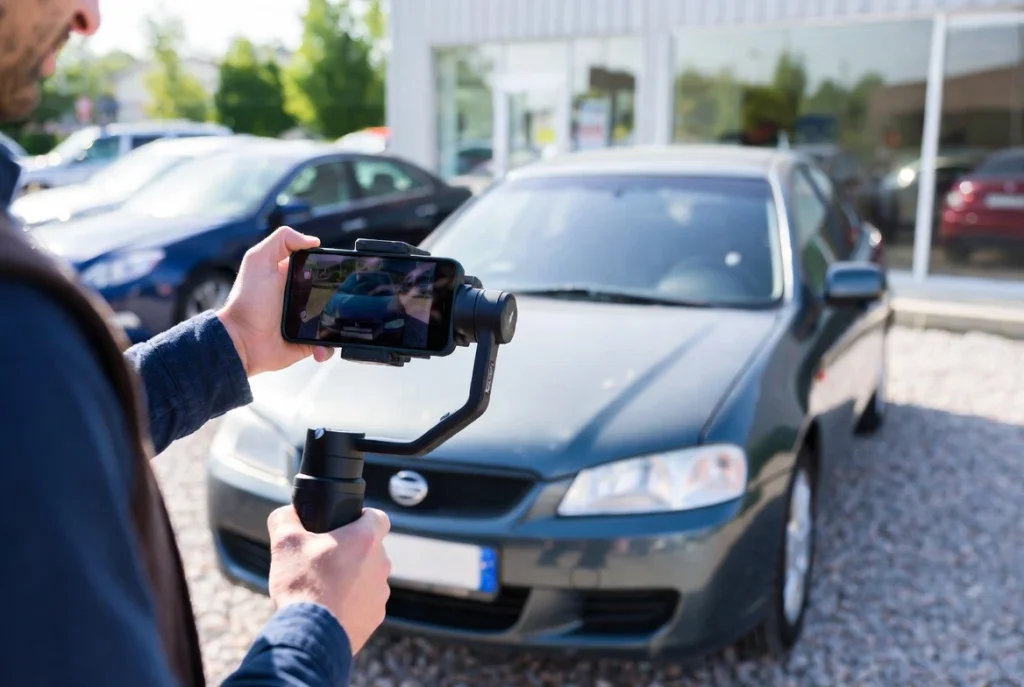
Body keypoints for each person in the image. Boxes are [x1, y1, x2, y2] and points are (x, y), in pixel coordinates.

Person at [0, 2, 391, 686]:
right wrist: (316, 622)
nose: (89, 16)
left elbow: (50, 431)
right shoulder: (18, 322)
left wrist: (233, 340)